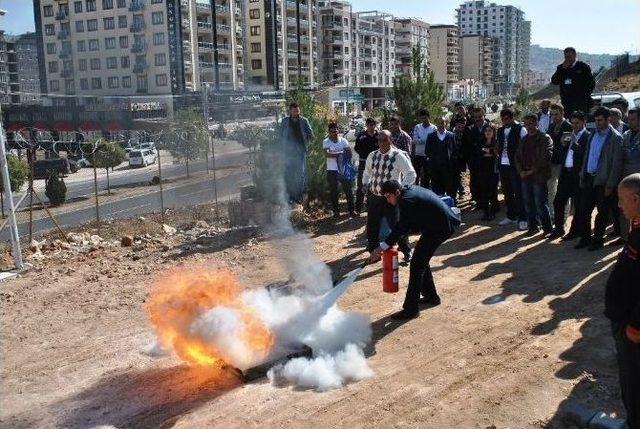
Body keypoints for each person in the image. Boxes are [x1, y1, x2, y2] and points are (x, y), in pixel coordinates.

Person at [368, 180, 461, 320]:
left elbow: (401, 228)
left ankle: (411, 309)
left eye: (388, 196)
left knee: (417, 264)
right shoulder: (405, 193)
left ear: (397, 192)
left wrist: (380, 248)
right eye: (385, 197)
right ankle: (431, 296)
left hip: (441, 227)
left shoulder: (406, 201)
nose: (388, 200)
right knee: (421, 260)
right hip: (436, 224)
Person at [604, 173, 640, 429]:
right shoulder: (637, 227)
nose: (619, 205)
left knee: (634, 382)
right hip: (626, 319)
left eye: (622, 199)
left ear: (636, 199)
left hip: (632, 326)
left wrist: (636, 326)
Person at [363, 130, 417, 263]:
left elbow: (411, 174)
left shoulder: (398, 155)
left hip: (390, 199)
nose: (381, 143)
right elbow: (366, 173)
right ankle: (373, 252)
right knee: (372, 225)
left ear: (390, 140)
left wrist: (400, 190)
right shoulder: (372, 155)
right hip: (374, 196)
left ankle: (406, 250)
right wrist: (365, 184)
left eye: (384, 140)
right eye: (379, 140)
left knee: (396, 225)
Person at [576, 106, 624, 250]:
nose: (598, 123)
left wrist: (610, 185)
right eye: (596, 120)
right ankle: (585, 238)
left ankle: (597, 240)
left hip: (604, 181)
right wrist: (582, 173)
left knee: (602, 213)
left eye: (600, 120)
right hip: (589, 178)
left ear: (608, 119)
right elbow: (587, 155)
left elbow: (616, 164)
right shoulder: (593, 135)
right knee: (584, 210)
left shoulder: (615, 138)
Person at [550, 110, 591, 240]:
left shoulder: (587, 136)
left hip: (578, 174)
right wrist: (563, 144)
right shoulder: (569, 135)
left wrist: (574, 144)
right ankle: (559, 228)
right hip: (565, 173)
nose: (574, 126)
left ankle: (574, 231)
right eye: (572, 123)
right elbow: (562, 155)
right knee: (558, 201)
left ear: (584, 122)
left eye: (577, 123)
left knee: (578, 205)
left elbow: (585, 155)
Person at [515, 114, 554, 236]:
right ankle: (533, 226)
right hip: (525, 175)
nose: (528, 126)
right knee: (528, 202)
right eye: (526, 124)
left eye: (531, 123)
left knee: (540, 203)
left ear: (536, 123)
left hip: (538, 175)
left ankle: (547, 228)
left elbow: (545, 157)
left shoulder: (544, 138)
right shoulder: (523, 140)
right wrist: (521, 171)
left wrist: (532, 170)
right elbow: (517, 157)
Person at [497, 108, 528, 230]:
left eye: (506, 119)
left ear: (511, 118)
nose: (504, 122)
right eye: (503, 120)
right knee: (507, 192)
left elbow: (525, 147)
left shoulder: (521, 129)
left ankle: (523, 218)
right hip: (503, 165)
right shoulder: (500, 130)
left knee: (518, 193)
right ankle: (511, 216)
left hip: (515, 166)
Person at [279, 102, 314, 203]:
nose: (296, 113)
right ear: (290, 111)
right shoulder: (285, 121)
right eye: (294, 111)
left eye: (297, 111)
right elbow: (280, 135)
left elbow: (311, 134)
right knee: (288, 174)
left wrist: (306, 143)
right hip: (288, 152)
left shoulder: (304, 120)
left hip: (300, 151)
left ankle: (298, 196)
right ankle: (290, 196)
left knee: (300, 174)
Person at [551, 47, 595, 118]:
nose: (568, 59)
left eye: (569, 57)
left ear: (574, 55)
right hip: (567, 104)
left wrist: (585, 96)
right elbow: (554, 81)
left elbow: (591, 83)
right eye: (566, 57)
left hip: (581, 103)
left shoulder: (583, 67)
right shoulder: (561, 68)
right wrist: (562, 69)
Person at [547, 104, 574, 219]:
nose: (554, 117)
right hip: (552, 162)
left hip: (563, 163)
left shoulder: (568, 126)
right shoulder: (551, 126)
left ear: (562, 113)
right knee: (551, 190)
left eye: (556, 114)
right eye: (552, 114)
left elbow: (568, 145)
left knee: (563, 191)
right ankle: (552, 215)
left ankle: (564, 216)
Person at [323, 123, 355, 218]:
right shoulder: (326, 141)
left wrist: (335, 153)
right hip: (332, 170)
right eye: (332, 131)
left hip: (343, 170)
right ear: (329, 132)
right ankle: (336, 212)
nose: (334, 133)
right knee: (334, 192)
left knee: (348, 191)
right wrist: (341, 153)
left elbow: (349, 153)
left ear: (338, 130)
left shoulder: (343, 140)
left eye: (336, 131)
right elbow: (327, 154)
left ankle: (351, 211)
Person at [426, 117, 458, 203]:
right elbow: (427, 151)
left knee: (450, 191)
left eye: (442, 122)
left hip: (448, 169)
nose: (441, 125)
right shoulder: (431, 136)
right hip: (435, 170)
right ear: (436, 124)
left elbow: (454, 151)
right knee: (437, 192)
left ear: (446, 123)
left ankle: (452, 208)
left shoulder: (451, 135)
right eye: (439, 123)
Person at [620, 108, 640, 242]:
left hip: (638, 181)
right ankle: (626, 239)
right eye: (629, 119)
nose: (630, 122)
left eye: (633, 119)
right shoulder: (625, 135)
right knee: (626, 211)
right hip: (626, 179)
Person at [464, 107, 490, 209]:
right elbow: (466, 145)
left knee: (487, 181)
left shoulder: (490, 127)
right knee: (475, 181)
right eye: (476, 117)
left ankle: (487, 202)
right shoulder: (469, 129)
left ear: (483, 116)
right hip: (474, 161)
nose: (478, 119)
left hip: (487, 160)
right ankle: (478, 201)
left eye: (480, 117)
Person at [354, 117, 379, 213]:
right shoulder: (361, 136)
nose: (370, 127)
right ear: (366, 125)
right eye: (369, 125)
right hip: (363, 164)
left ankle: (370, 208)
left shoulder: (378, 136)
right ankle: (358, 209)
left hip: (376, 165)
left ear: (375, 125)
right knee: (361, 186)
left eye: (372, 125)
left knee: (373, 187)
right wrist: (364, 154)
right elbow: (356, 148)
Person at [478, 124, 500, 221]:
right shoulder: (481, 141)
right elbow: (479, 152)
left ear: (493, 132)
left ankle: (493, 212)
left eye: (490, 130)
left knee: (493, 191)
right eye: (486, 130)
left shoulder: (496, 142)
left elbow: (495, 153)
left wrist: (487, 150)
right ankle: (485, 212)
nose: (488, 132)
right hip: (483, 169)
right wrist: (488, 151)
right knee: (484, 191)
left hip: (493, 169)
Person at [411, 109, 436, 187]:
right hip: (418, 155)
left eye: (425, 118)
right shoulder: (417, 127)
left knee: (426, 177)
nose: (423, 120)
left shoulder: (433, 128)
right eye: (422, 118)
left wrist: (420, 139)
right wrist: (427, 139)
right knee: (415, 176)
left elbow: (433, 142)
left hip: (428, 156)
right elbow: (415, 140)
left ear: (428, 117)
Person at [452, 115, 468, 198]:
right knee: (455, 175)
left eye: (462, 127)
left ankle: (461, 190)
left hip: (460, 158)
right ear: (456, 125)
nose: (461, 128)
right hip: (453, 157)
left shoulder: (465, 133)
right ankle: (459, 190)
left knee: (458, 174)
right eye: (459, 126)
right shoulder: (452, 133)